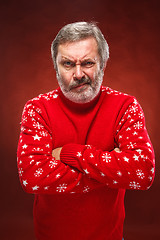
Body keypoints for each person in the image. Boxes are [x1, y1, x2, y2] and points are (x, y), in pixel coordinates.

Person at [17, 22, 155, 240]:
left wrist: (67, 153)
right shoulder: (37, 109)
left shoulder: (125, 106)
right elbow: (32, 177)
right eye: (68, 64)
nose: (78, 73)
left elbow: (143, 171)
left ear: (102, 64)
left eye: (88, 63)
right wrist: (113, 171)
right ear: (56, 67)